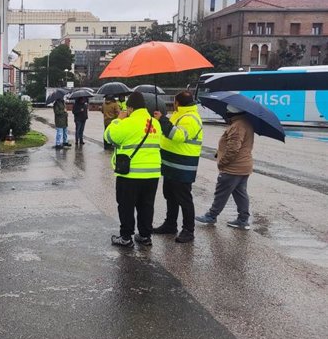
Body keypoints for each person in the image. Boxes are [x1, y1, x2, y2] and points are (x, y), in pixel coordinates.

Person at [104, 91, 162, 247]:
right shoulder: (155, 123)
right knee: (146, 205)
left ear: (130, 108)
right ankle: (144, 236)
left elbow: (109, 137)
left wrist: (117, 120)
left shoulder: (127, 122)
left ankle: (126, 237)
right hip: (152, 173)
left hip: (130, 173)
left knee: (126, 206)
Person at [151, 91, 203, 243]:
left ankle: (188, 230)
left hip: (183, 166)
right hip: (171, 164)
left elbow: (178, 135)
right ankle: (170, 224)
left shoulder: (190, 118)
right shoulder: (179, 114)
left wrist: (163, 120)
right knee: (170, 196)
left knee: (184, 198)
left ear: (178, 103)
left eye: (174, 101)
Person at [195, 104, 255, 230]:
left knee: (221, 192)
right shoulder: (244, 123)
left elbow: (233, 148)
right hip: (244, 166)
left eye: (227, 112)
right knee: (240, 193)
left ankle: (211, 216)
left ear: (232, 113)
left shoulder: (237, 126)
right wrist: (220, 152)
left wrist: (223, 162)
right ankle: (243, 219)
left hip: (234, 167)